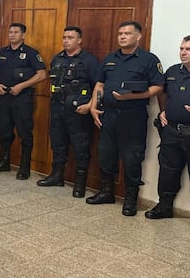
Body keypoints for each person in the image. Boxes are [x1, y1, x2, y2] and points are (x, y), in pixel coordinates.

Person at [87, 21, 163, 216]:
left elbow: (157, 87)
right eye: (120, 33)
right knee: (106, 154)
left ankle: (130, 199)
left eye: (127, 33)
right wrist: (94, 106)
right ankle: (107, 192)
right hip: (109, 115)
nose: (122, 36)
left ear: (138, 36)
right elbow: (99, 84)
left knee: (131, 158)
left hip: (133, 117)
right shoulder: (110, 58)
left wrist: (133, 96)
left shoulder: (148, 59)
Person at [37, 26, 99, 195]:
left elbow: (99, 85)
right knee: (57, 143)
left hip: (78, 110)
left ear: (79, 40)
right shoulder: (57, 58)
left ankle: (80, 184)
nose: (66, 40)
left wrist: (90, 105)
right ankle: (57, 176)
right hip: (57, 107)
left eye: (70, 37)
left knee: (81, 146)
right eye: (64, 37)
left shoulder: (89, 60)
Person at [0, 22, 47, 179]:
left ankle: (24, 167)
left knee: (24, 133)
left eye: (15, 32)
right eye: (10, 32)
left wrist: (21, 86)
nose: (12, 35)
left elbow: (42, 74)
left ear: (23, 35)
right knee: (4, 131)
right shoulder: (3, 52)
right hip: (4, 96)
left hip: (22, 98)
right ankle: (4, 162)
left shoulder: (30, 53)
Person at [146, 35, 190, 219]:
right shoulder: (173, 71)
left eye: (188, 49)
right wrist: (164, 110)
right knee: (167, 170)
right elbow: (162, 91)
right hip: (171, 130)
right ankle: (164, 207)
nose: (183, 53)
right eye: (182, 49)